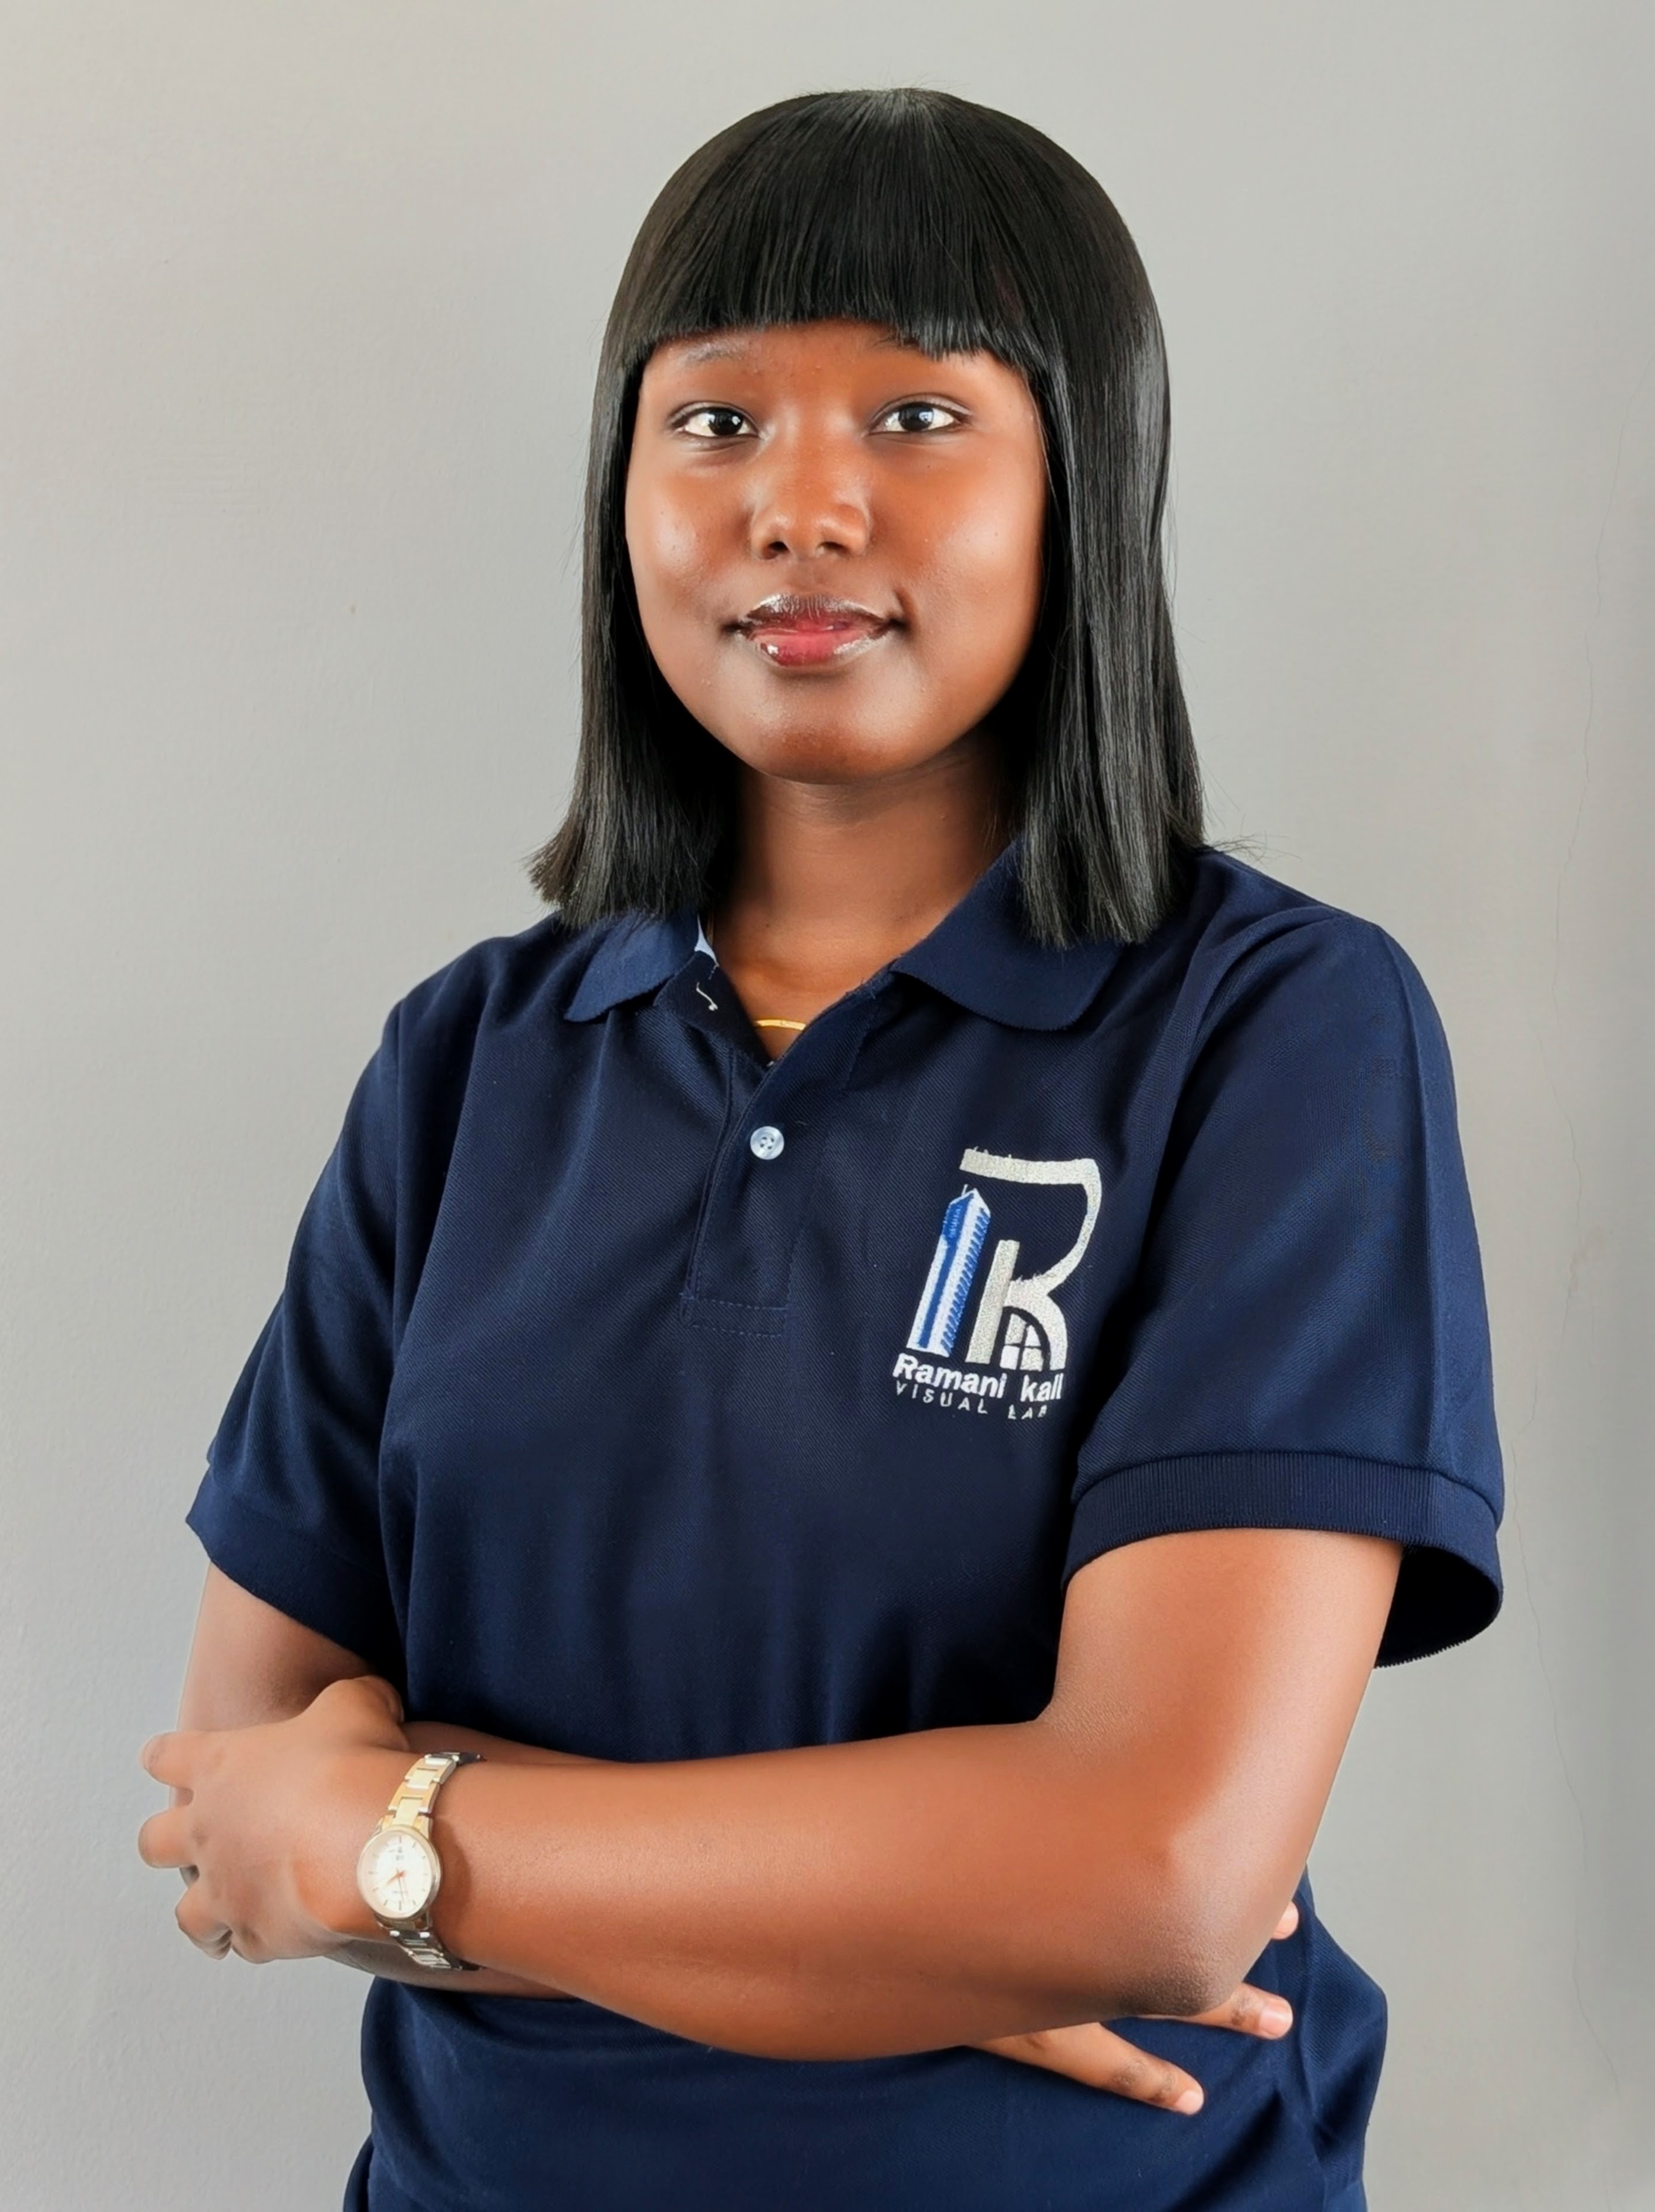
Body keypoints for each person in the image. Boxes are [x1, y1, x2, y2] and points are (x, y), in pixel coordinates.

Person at [137, 88, 1503, 2212]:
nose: (800, 508)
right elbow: (233, 1804)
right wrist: (907, 1941)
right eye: (715, 423)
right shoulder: (469, 1061)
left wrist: (400, 1836)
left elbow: (1157, 1870)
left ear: (1084, 483)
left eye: (918, 416)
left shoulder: (1275, 1029)